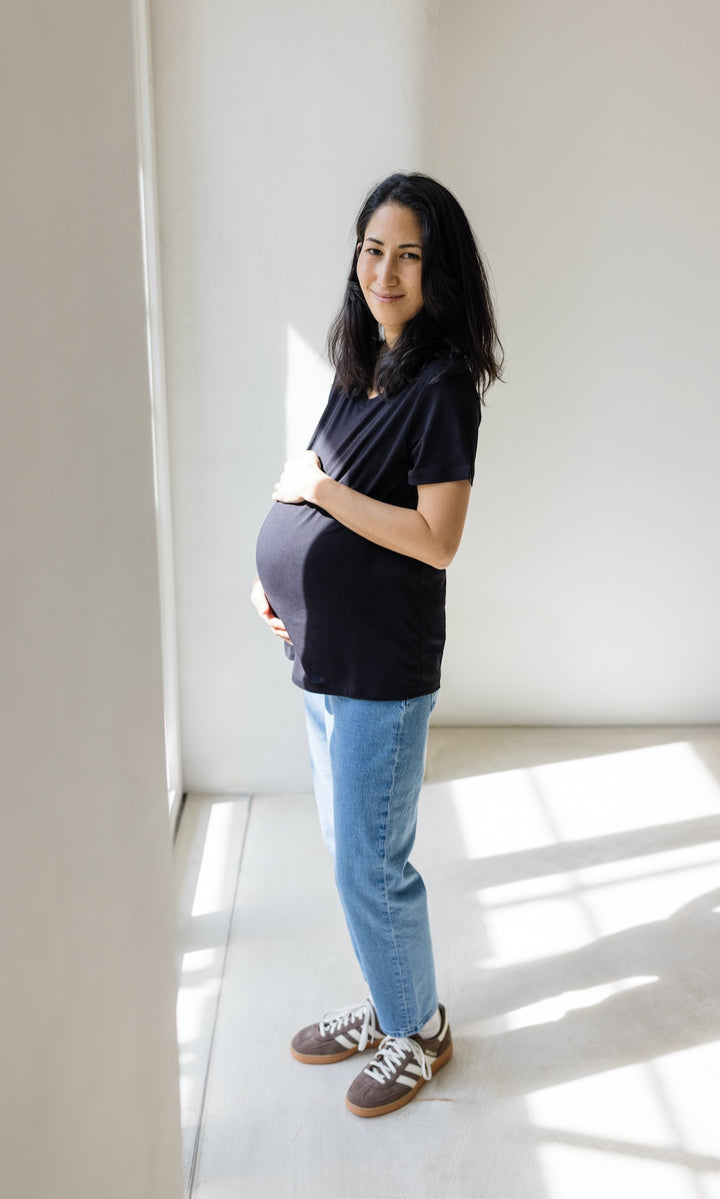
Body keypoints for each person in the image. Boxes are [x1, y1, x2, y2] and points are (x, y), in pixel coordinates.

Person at [252, 172, 502, 1118]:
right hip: (320, 655)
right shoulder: (363, 363)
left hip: (379, 670)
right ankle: (391, 1000)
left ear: (440, 272)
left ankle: (421, 1029)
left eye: (408, 254)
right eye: (372, 248)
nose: (385, 272)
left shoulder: (442, 388)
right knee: (346, 847)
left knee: (370, 860)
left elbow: (436, 537)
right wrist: (268, 573)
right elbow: (305, 476)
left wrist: (315, 504)